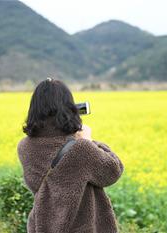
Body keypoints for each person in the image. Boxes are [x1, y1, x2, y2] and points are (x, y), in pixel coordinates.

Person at [17, 78, 124, 233]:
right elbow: (113, 171)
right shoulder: (81, 149)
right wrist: (89, 141)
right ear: (69, 107)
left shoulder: (24, 147)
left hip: (42, 225)